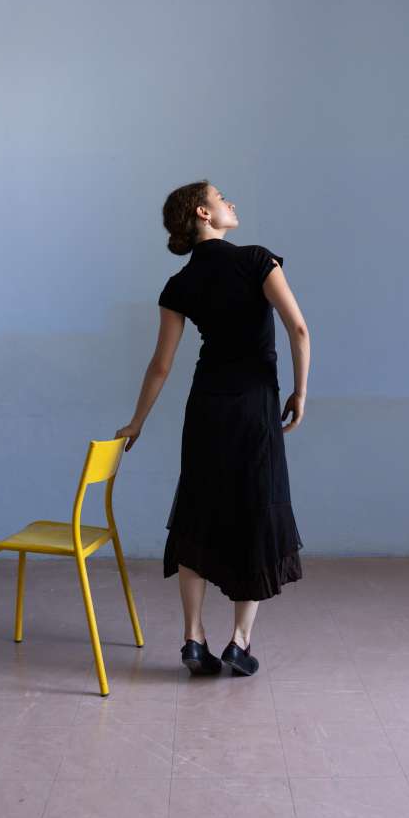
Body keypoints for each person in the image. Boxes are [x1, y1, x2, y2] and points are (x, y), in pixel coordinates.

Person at [115, 179, 310, 677]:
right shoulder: (256, 260)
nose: (232, 203)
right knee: (255, 512)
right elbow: (299, 329)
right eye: (223, 198)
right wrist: (300, 391)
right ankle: (239, 643)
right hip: (254, 408)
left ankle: (193, 639)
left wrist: (137, 421)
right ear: (205, 212)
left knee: (197, 517)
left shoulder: (179, 285)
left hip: (205, 408)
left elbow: (160, 365)